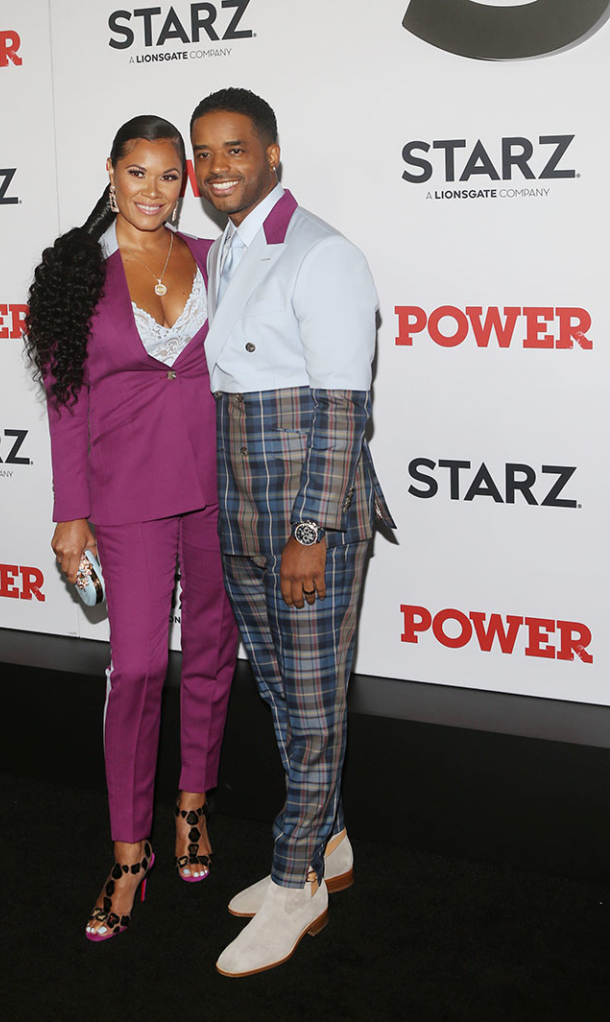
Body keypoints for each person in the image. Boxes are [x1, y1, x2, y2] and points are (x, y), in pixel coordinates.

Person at [190, 88, 395, 976]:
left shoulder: (323, 255)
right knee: (278, 691)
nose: (218, 167)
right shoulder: (229, 250)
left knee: (311, 709)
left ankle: (295, 878)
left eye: (236, 149)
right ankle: (334, 840)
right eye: (205, 153)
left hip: (306, 516)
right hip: (241, 509)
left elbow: (344, 413)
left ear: (272, 155)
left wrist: (311, 530)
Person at [25, 115, 239, 943]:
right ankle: (127, 850)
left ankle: (193, 802)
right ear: (111, 175)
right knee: (141, 666)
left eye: (168, 176)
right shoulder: (78, 272)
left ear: (185, 180)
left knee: (214, 648)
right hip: (126, 495)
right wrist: (69, 513)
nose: (154, 192)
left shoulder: (216, 258)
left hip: (216, 486)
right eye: (137, 174)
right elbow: (64, 403)